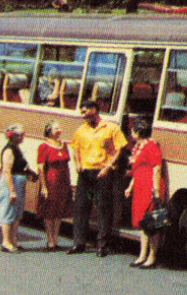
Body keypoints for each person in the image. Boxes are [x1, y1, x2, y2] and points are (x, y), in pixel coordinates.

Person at [68, 99, 126, 257]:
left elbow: (119, 149)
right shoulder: (81, 130)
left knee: (103, 208)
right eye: (82, 113)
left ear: (94, 110)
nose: (83, 115)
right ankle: (79, 243)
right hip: (86, 174)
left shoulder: (111, 128)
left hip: (102, 174)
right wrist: (78, 164)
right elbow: (75, 148)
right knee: (81, 207)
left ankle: (102, 245)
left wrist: (107, 167)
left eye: (85, 111)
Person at [125, 118, 167, 268]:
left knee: (152, 224)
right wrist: (130, 187)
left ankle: (152, 256)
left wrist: (155, 190)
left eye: (132, 130)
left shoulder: (151, 146)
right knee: (143, 224)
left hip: (150, 186)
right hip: (140, 186)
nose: (131, 133)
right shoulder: (138, 146)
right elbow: (136, 169)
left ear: (138, 132)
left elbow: (157, 168)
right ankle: (142, 255)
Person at [0, 124, 34, 253]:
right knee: (8, 211)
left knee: (17, 213)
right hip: (11, 182)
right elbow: (6, 171)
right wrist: (11, 191)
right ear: (14, 136)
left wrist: (29, 172)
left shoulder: (17, 148)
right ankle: (6, 242)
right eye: (21, 135)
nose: (23, 137)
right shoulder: (8, 150)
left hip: (19, 180)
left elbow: (22, 165)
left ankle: (13, 240)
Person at [36, 120, 73, 250]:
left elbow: (67, 164)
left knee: (59, 210)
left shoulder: (64, 145)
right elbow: (40, 168)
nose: (59, 131)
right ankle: (49, 239)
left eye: (59, 128)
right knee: (49, 210)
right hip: (51, 180)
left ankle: (56, 238)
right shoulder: (43, 146)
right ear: (49, 132)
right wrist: (44, 187)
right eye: (56, 129)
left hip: (63, 181)